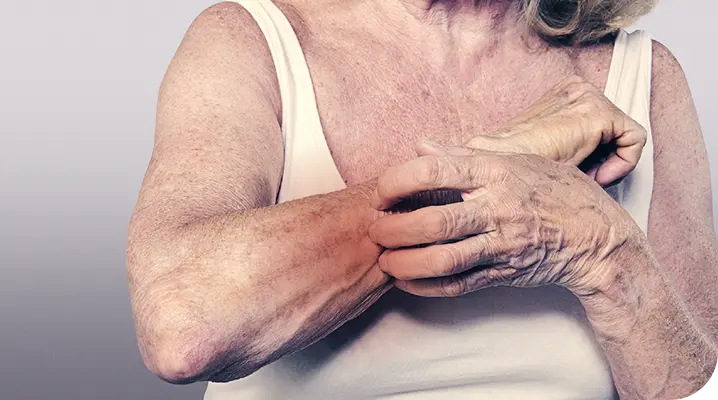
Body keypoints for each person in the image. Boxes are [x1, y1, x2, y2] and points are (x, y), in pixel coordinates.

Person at [126, 0, 717, 398]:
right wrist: (503, 158)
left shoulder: (645, 75)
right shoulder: (250, 38)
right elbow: (183, 328)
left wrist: (605, 253)